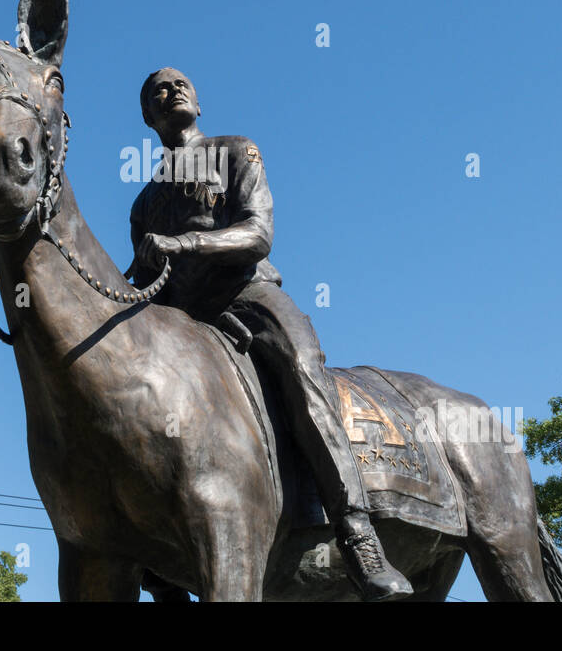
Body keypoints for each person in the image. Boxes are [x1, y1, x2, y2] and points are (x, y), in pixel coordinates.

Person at [129, 67, 410, 601]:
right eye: (158, 90)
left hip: (246, 295)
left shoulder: (236, 151)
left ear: (199, 102)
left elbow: (258, 233)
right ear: (148, 116)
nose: (173, 90)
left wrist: (184, 244)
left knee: (302, 367)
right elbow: (144, 281)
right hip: (184, 322)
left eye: (180, 82)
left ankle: (357, 533)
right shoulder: (144, 204)